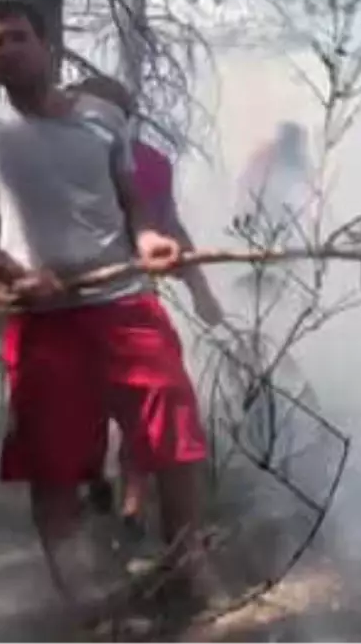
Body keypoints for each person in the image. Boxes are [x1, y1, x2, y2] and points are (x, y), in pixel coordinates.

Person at [0, 0, 221, 618]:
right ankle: (81, 596)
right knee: (55, 460)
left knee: (174, 432)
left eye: (15, 37)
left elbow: (132, 203)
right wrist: (13, 272)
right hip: (43, 323)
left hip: (125, 304)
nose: (2, 51)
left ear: (47, 46)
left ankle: (188, 567)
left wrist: (148, 241)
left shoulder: (101, 119)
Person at [65, 75, 224, 538]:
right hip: (63, 307)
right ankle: (97, 500)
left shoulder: (149, 164)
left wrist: (201, 291)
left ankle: (134, 508)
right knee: (83, 415)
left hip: (127, 302)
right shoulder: (49, 154)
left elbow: (168, 226)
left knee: (148, 411)